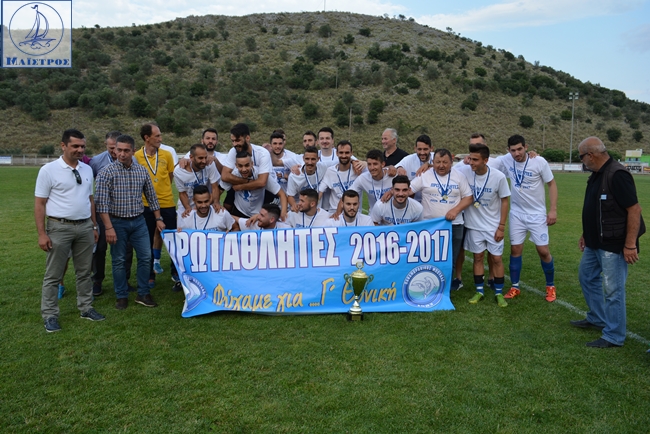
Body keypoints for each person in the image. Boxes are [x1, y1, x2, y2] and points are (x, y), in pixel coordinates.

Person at [572, 137, 643, 348]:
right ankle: (597, 318)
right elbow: (595, 208)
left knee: (613, 290)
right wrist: (586, 233)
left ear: (590, 155)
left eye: (581, 157)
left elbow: (634, 210)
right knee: (587, 277)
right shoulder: (597, 174)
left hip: (613, 244)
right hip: (594, 242)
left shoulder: (617, 174)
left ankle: (614, 335)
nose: (582, 161)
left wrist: (630, 245)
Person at [35, 129, 105, 332]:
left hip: (84, 226)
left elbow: (90, 199)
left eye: (82, 146)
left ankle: (86, 308)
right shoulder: (48, 170)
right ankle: (50, 315)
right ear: (63, 145)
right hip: (59, 227)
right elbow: (40, 204)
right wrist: (42, 234)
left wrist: (94, 225)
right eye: (75, 146)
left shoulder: (87, 169)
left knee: (84, 272)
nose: (80, 150)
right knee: (53, 274)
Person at [96, 134, 165, 310]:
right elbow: (101, 204)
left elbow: (152, 197)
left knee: (145, 257)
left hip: (139, 221)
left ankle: (143, 293)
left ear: (133, 151)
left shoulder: (141, 171)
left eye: (126, 150)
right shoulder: (106, 172)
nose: (122, 154)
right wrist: (108, 227)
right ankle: (121, 295)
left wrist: (158, 218)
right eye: (118, 150)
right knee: (119, 260)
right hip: (117, 222)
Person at [491, 135, 558, 302]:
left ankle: (550, 286)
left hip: (537, 214)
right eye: (513, 150)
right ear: (508, 150)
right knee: (515, 250)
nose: (517, 153)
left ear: (526, 147)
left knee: (543, 251)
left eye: (520, 149)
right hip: (517, 214)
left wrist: (553, 210)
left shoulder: (539, 161)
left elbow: (552, 184)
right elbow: (485, 162)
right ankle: (515, 287)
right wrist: (466, 160)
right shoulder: (506, 160)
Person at [454, 143, 510, 307]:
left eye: (475, 160)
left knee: (497, 259)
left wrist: (501, 226)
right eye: (470, 158)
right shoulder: (465, 172)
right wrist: (427, 166)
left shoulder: (498, 177)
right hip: (474, 226)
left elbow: (505, 201)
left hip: (493, 226)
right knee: (477, 258)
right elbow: (444, 168)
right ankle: (479, 291)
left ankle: (499, 293)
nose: (471, 162)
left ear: (485, 160)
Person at [410, 148, 473, 286]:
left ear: (451, 162)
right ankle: (428, 285)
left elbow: (468, 197)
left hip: (454, 224)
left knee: (451, 258)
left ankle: (445, 288)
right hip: (430, 225)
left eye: (445, 162)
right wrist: (391, 192)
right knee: (429, 257)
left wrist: (455, 210)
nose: (441, 165)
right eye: (438, 162)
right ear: (433, 162)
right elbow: (408, 190)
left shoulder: (459, 176)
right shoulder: (425, 175)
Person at [89, 130, 134, 297]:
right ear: (106, 145)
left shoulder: (132, 160)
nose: (116, 152)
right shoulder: (96, 162)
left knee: (126, 248)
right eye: (112, 148)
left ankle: (124, 280)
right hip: (103, 212)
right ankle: (97, 280)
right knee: (100, 247)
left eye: (119, 148)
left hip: (124, 212)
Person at [135, 123, 178, 284]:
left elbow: (170, 176)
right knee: (146, 241)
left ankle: (175, 272)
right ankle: (149, 275)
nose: (161, 138)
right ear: (147, 138)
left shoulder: (167, 155)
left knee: (172, 239)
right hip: (145, 205)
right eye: (157, 136)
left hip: (167, 203)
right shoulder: (136, 156)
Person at [220, 151, 288, 219]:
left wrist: (283, 212)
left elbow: (282, 194)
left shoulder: (261, 175)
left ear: (252, 164)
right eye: (240, 166)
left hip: (257, 214)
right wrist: (216, 203)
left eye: (247, 165)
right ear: (236, 165)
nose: (244, 169)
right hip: (239, 211)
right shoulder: (233, 174)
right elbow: (220, 189)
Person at [173, 143, 221, 220]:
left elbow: (214, 187)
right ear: (191, 157)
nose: (204, 161)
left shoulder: (209, 164)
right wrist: (188, 208)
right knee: (185, 225)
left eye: (205, 157)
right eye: (200, 158)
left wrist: (216, 202)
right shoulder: (179, 171)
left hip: (206, 203)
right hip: (187, 204)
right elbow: (182, 193)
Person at [319, 140, 359, 213]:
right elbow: (320, 192)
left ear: (351, 153)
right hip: (335, 213)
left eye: (347, 153)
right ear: (336, 153)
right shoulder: (330, 171)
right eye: (341, 152)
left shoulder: (358, 169)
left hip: (354, 212)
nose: (344, 156)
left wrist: (364, 163)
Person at [286, 146, 328, 210]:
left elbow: (338, 162)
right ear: (303, 159)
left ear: (318, 159)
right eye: (307, 159)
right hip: (301, 208)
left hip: (317, 209)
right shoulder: (294, 176)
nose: (310, 162)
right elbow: (290, 196)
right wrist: (294, 206)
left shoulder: (323, 167)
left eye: (313, 159)